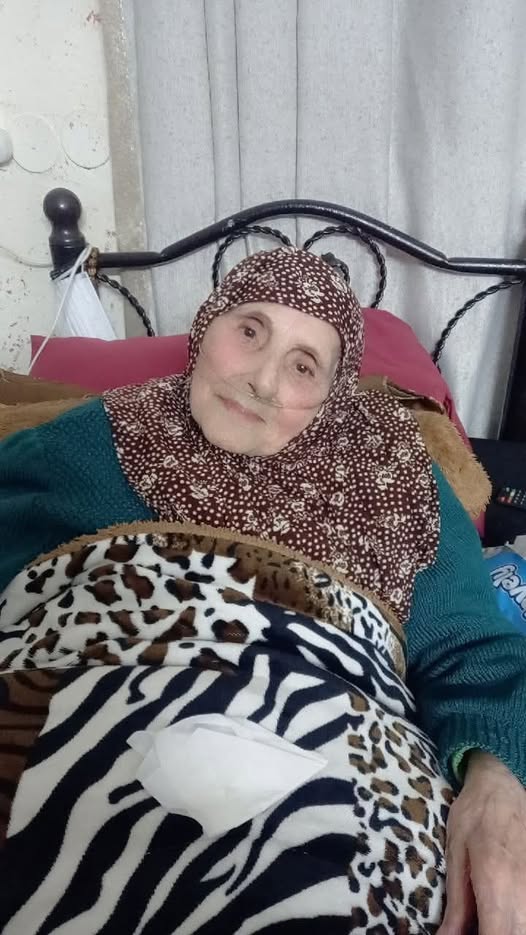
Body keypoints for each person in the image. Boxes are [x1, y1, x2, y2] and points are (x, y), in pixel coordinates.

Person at [0, 246, 525, 934]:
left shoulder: (398, 477)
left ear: (334, 393)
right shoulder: (90, 439)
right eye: (249, 331)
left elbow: (475, 650)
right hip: (69, 740)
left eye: (304, 365)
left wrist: (496, 776)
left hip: (343, 775)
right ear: (205, 325)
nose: (263, 381)